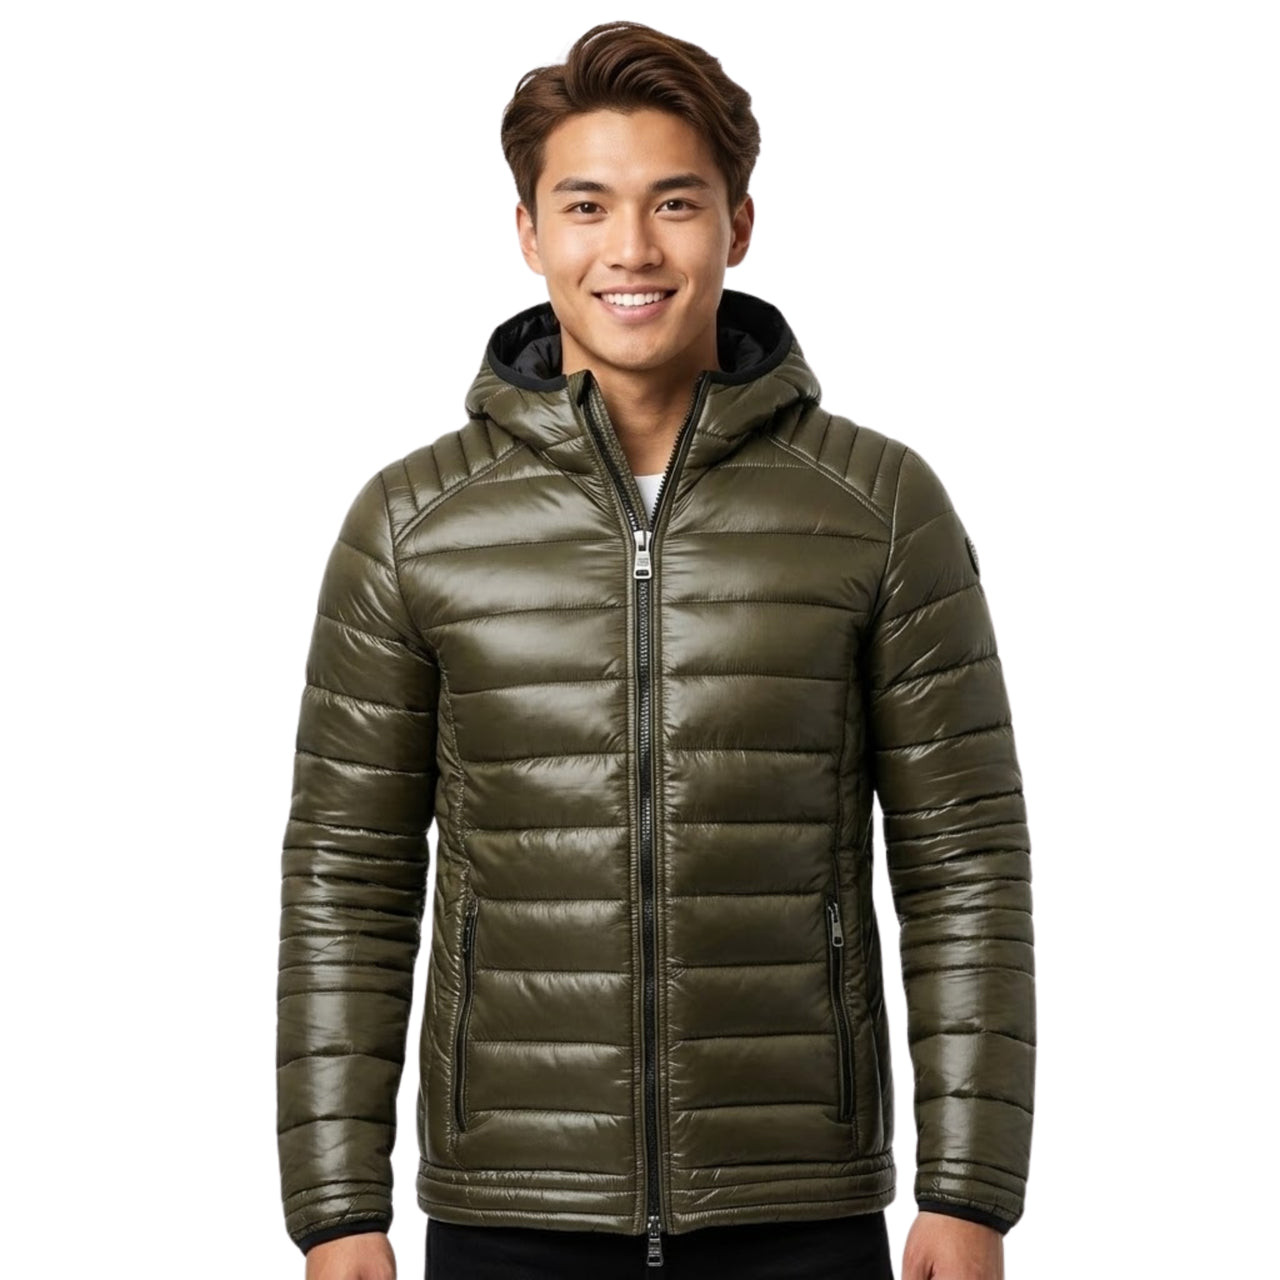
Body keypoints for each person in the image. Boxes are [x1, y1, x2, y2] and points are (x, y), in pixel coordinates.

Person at [275, 20, 1036, 1280]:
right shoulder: (413, 523)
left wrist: (968, 1189)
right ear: (529, 234)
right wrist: (337, 1206)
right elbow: (345, 878)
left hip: (795, 1207)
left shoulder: (875, 505)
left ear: (738, 223)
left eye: (673, 202)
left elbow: (964, 860)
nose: (630, 248)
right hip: (510, 1211)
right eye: (585, 206)